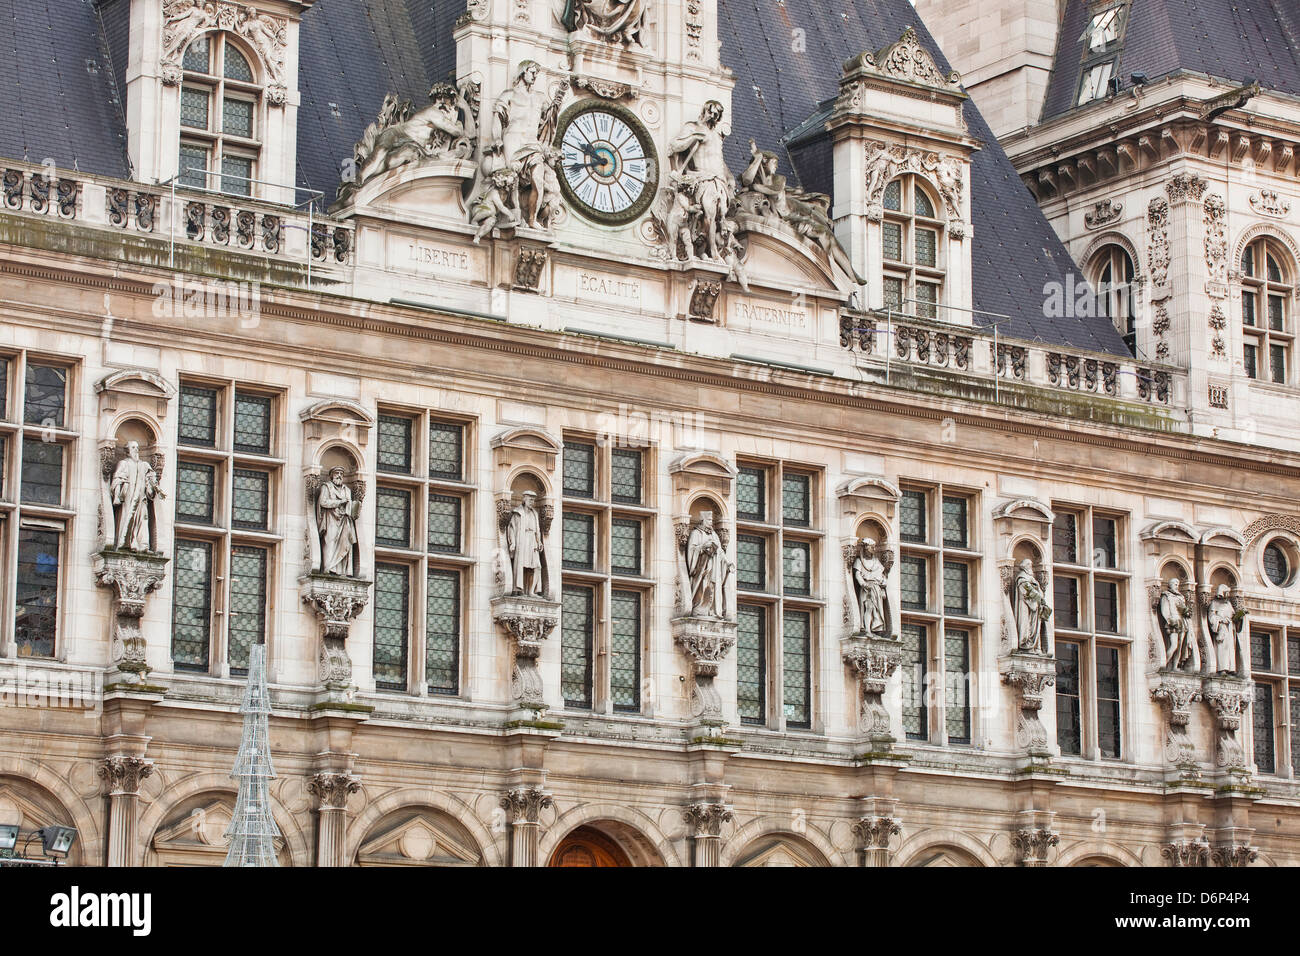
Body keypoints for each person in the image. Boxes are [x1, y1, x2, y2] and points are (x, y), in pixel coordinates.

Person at [110, 441, 160, 552]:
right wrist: (119, 491)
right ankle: (127, 543)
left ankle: (143, 545)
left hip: (141, 499)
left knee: (143, 519)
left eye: (137, 447)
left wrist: (152, 485)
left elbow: (150, 481)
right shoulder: (123, 463)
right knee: (128, 519)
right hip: (128, 498)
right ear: (127, 451)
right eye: (133, 447)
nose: (136, 449)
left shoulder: (144, 465)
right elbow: (116, 479)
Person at [686, 511, 729, 617]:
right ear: (703, 520)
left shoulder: (714, 535)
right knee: (703, 587)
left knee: (712, 587)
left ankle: (711, 610)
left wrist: (727, 563)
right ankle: (699, 608)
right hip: (702, 568)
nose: (711, 522)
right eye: (709, 520)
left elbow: (721, 552)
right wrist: (704, 547)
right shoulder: (696, 533)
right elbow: (691, 550)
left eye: (712, 520)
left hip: (714, 567)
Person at [317, 467, 358, 576]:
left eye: (341, 473)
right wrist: (339, 502)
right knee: (330, 543)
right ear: (331, 475)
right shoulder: (326, 487)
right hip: (331, 519)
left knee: (345, 545)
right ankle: (328, 568)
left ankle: (341, 571)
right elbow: (323, 502)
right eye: (336, 473)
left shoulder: (347, 490)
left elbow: (350, 506)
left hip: (345, 520)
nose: (339, 475)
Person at [506, 491, 546, 596]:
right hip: (522, 541)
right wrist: (512, 543)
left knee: (537, 566)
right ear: (524, 499)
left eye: (533, 500)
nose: (532, 502)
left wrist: (539, 541)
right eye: (530, 499)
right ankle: (521, 590)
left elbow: (537, 529)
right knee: (522, 566)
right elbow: (511, 528)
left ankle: (532, 591)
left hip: (532, 541)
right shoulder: (517, 513)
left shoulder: (534, 514)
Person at [1010, 558, 1051, 653]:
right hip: (1025, 606)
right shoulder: (1022, 578)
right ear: (1026, 567)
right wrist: (1037, 597)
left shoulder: (1031, 578)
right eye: (1030, 565)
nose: (1031, 567)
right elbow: (1026, 592)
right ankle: (1025, 644)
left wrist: (1039, 597)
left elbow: (1038, 591)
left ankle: (1035, 646)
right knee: (1025, 625)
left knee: (1034, 626)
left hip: (1034, 607)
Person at [851, 539, 889, 637]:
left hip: (876, 588)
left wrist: (884, 584)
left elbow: (883, 575)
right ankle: (867, 629)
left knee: (877, 610)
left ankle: (875, 628)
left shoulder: (876, 561)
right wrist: (863, 584)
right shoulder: (859, 561)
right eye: (871, 546)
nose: (873, 548)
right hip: (867, 588)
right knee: (868, 607)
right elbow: (857, 575)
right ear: (865, 547)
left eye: (874, 547)